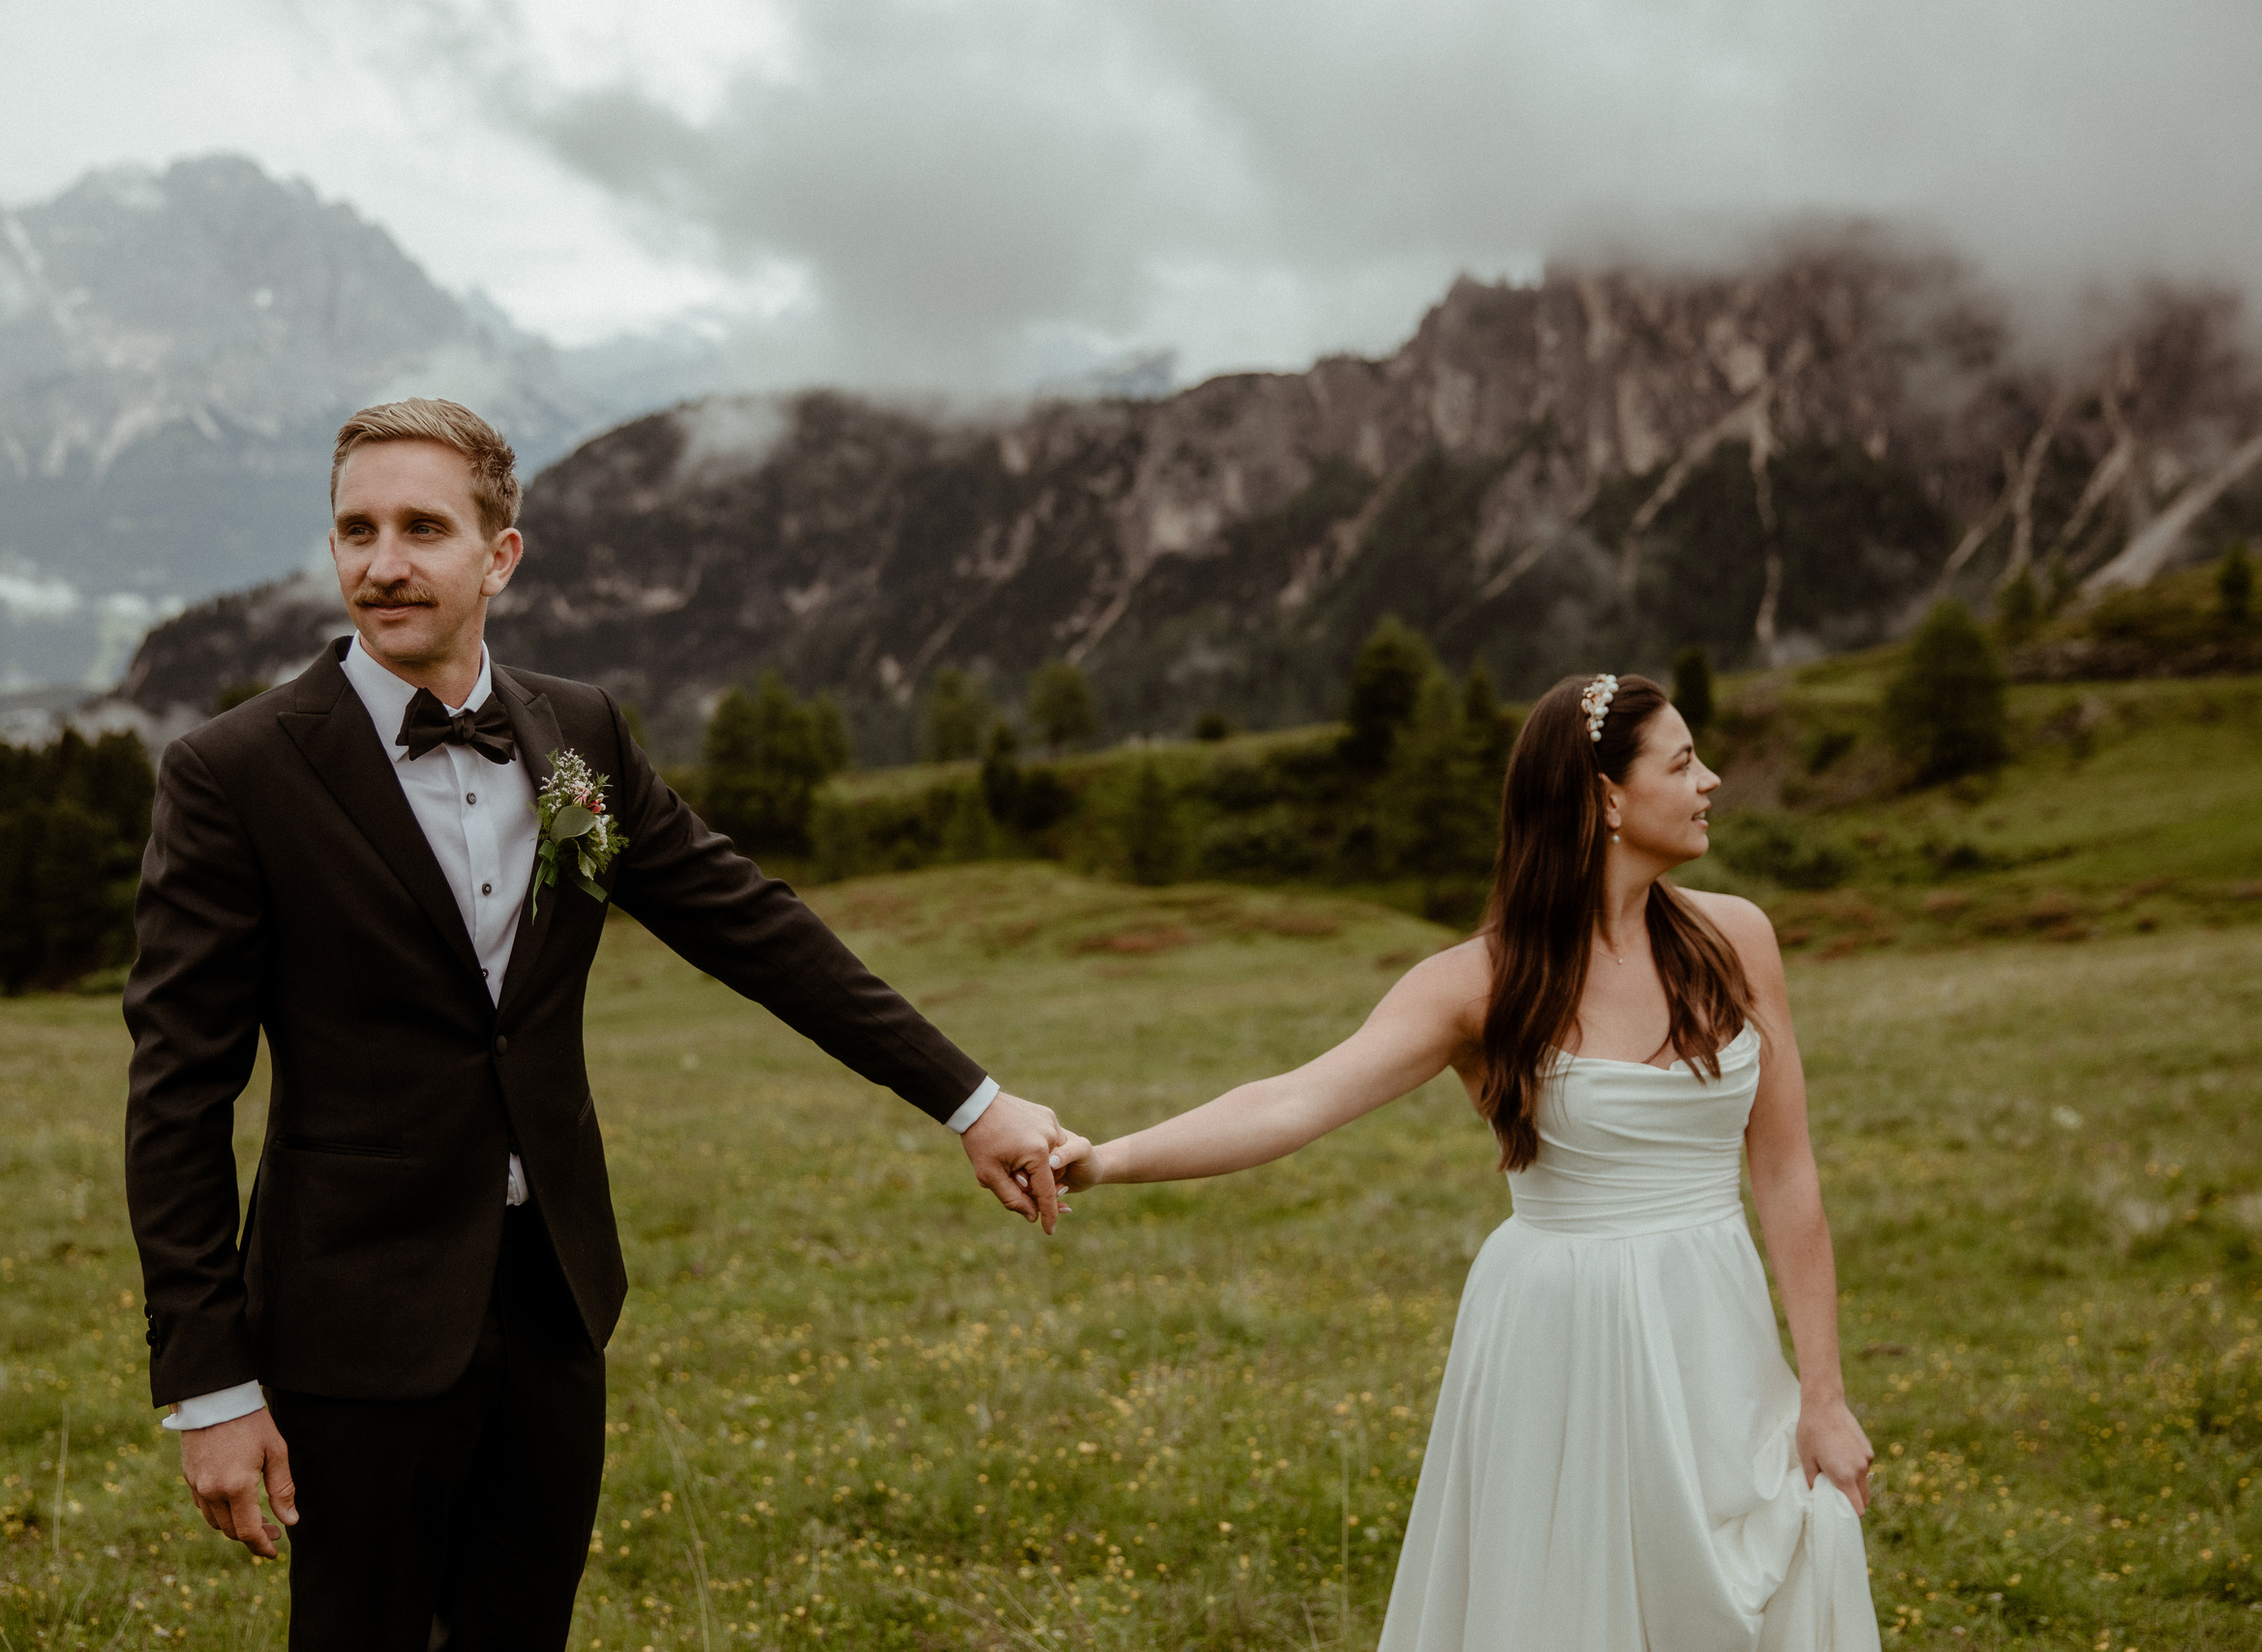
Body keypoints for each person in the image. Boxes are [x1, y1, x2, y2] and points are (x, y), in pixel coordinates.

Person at [124, 398, 1071, 1650]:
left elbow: (757, 928)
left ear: (500, 556)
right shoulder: (231, 772)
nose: (384, 562)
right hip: (352, 1323)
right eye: (356, 528)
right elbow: (178, 1093)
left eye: (423, 526)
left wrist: (973, 1098)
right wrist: (210, 1381)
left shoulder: (582, 736)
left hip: (555, 1303)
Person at [1052, 672, 1882, 1651]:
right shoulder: (1476, 985)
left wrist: (1822, 1396)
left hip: (1713, 1327)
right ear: (1605, 796)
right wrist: (1102, 1161)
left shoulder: (1736, 938)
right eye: (1683, 760)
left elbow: (1787, 1177)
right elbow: (1293, 1100)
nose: (1711, 780)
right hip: (1559, 1339)